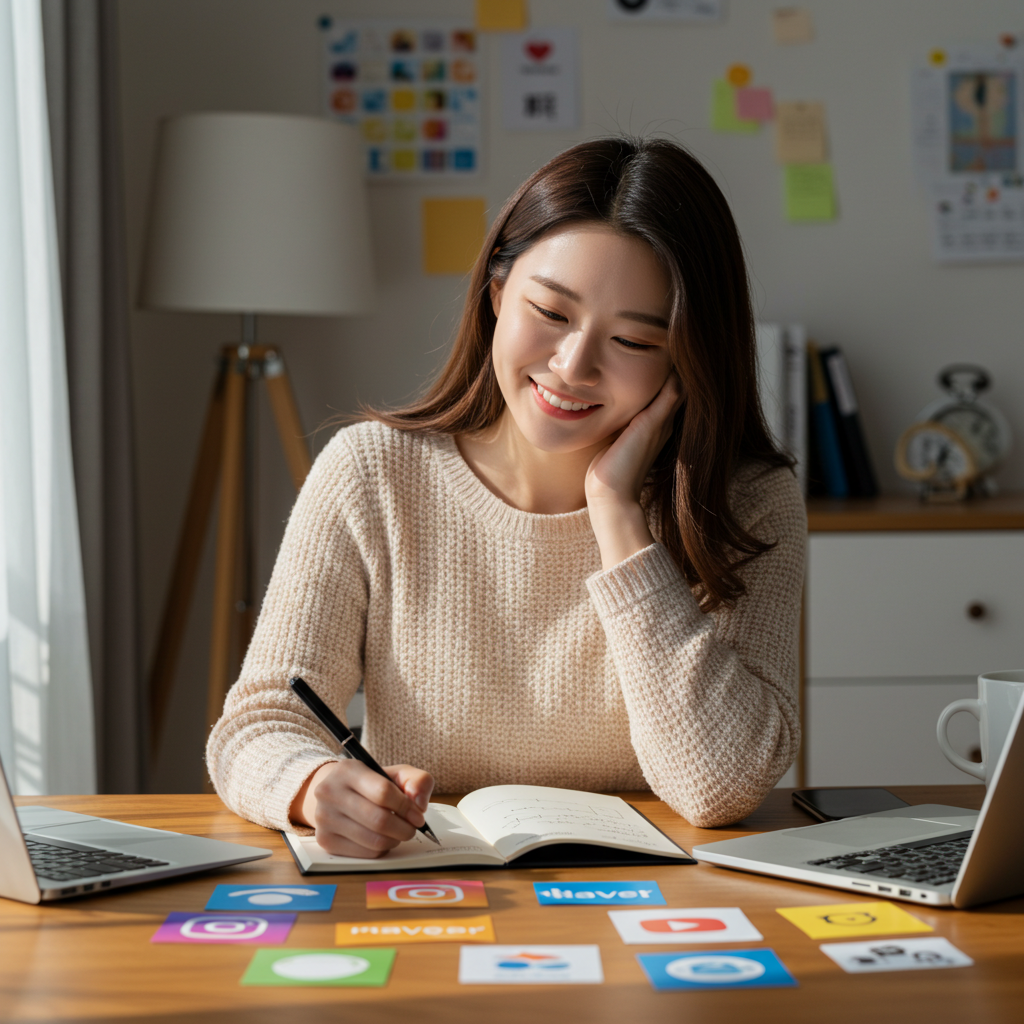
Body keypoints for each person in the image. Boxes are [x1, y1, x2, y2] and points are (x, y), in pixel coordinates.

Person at [206, 136, 806, 857]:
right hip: (430, 884)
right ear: (497, 294)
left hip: (658, 910)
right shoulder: (373, 474)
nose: (573, 365)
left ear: (687, 361)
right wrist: (309, 786)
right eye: (551, 312)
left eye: (635, 343)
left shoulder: (750, 501)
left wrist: (618, 518)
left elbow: (723, 787)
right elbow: (261, 722)